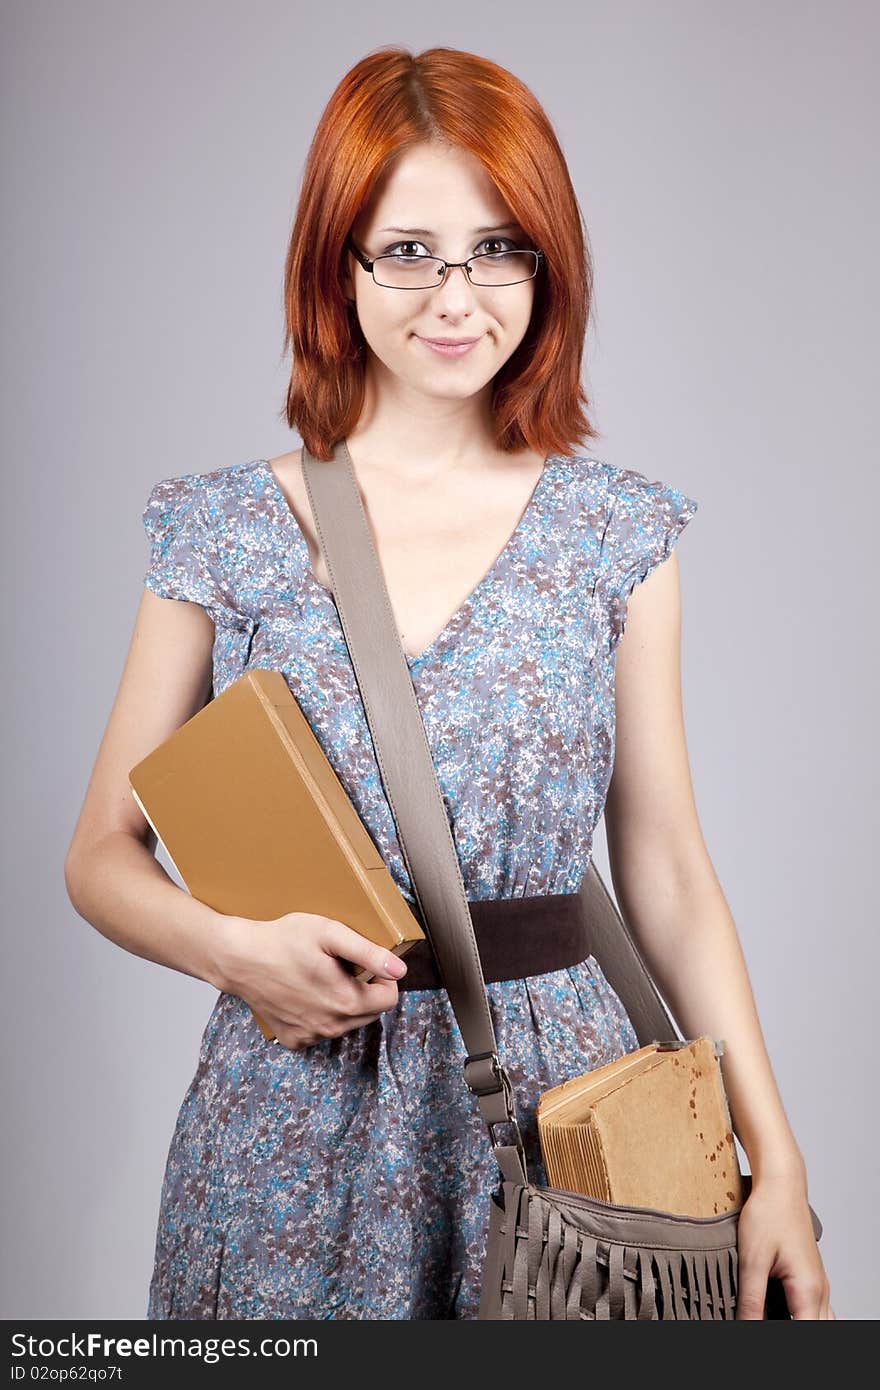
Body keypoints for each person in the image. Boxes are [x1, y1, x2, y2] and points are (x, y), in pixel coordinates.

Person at [64, 44, 833, 1321]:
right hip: (293, 1120)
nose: (456, 293)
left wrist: (779, 1158)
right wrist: (234, 953)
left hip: (559, 1123)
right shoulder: (220, 529)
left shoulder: (615, 532)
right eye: (407, 249)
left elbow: (669, 872)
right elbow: (99, 851)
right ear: (338, 260)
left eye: (499, 248)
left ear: (548, 262)